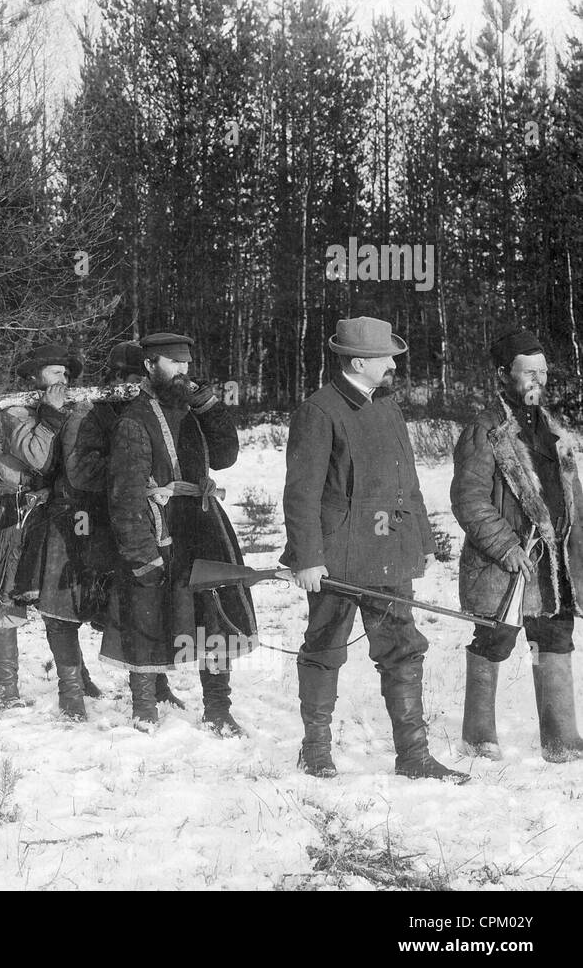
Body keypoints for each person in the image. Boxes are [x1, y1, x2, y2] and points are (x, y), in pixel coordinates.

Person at [283, 316, 465, 781]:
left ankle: (414, 756)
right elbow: (300, 493)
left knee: (402, 649)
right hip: (336, 560)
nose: (394, 365)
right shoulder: (318, 411)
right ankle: (316, 750)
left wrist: (421, 540)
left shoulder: (387, 407)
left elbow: (408, 480)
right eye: (387, 358)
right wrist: (307, 559)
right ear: (359, 361)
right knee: (325, 648)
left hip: (388, 554)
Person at [106, 333, 254, 734]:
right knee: (147, 608)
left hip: (202, 523)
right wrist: (141, 553)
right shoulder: (135, 420)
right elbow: (125, 495)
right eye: (173, 364)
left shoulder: (193, 411)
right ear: (150, 366)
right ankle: (143, 708)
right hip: (159, 526)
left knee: (215, 614)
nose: (184, 373)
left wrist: (211, 409)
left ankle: (218, 709)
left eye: (187, 364)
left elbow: (224, 458)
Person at [452, 327, 583, 762]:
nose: (538, 380)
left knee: (555, 638)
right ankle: (478, 737)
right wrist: (506, 546)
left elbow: (573, 501)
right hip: (507, 564)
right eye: (528, 372)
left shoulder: (553, 430)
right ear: (503, 375)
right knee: (496, 639)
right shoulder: (485, 431)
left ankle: (562, 739)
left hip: (552, 565)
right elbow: (468, 500)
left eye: (543, 372)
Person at [0, 341, 89, 708]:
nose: (62, 379)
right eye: (55, 373)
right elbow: (36, 457)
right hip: (11, 512)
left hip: (49, 512)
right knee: (5, 602)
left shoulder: (65, 409)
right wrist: (52, 415)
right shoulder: (16, 412)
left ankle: (77, 687)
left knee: (55, 602)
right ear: (36, 377)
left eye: (66, 373)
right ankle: (6, 693)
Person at [69, 341, 184, 711]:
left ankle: (159, 683)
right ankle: (85, 686)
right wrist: (127, 470)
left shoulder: (155, 411)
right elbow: (82, 471)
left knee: (157, 603)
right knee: (120, 608)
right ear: (117, 379)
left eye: (142, 379)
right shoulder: (95, 414)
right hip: (102, 522)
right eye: (132, 379)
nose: (138, 386)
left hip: (149, 517)